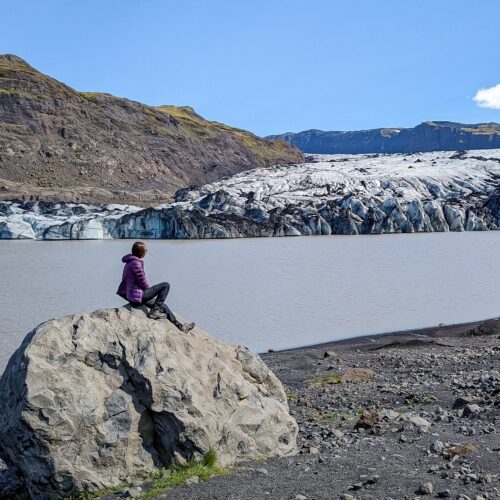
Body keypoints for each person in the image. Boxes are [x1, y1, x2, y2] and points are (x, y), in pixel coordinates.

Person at [117, 241, 195, 333]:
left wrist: (150, 294)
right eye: (145, 249)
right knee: (165, 285)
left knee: (162, 305)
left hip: (133, 296)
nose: (146, 250)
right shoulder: (136, 264)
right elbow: (143, 282)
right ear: (141, 251)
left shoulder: (129, 262)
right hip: (137, 297)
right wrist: (151, 292)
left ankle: (181, 327)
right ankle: (154, 312)